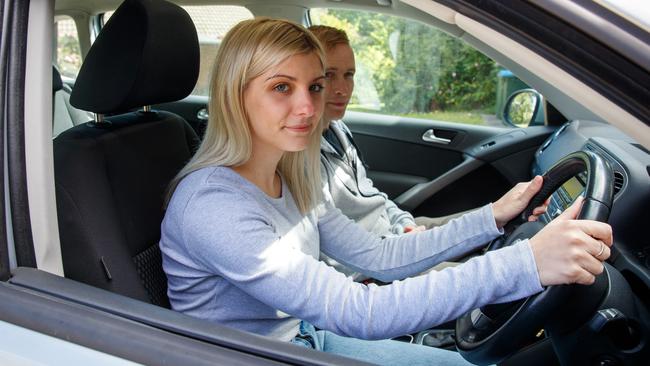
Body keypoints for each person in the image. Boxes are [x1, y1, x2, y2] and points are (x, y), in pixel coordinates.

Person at [160, 18, 612, 366]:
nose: (310, 107)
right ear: (235, 96)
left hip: (305, 337)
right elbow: (361, 312)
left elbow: (379, 256)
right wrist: (525, 263)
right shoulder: (212, 205)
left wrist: (491, 216)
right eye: (282, 87)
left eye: (315, 86)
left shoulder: (293, 173)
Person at [309, 25, 472, 237]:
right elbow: (337, 244)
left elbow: (369, 192)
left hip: (393, 232)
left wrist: (405, 223)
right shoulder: (302, 154)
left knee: (494, 221)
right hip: (375, 257)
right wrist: (401, 240)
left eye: (349, 74)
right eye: (329, 75)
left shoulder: (338, 129)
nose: (343, 89)